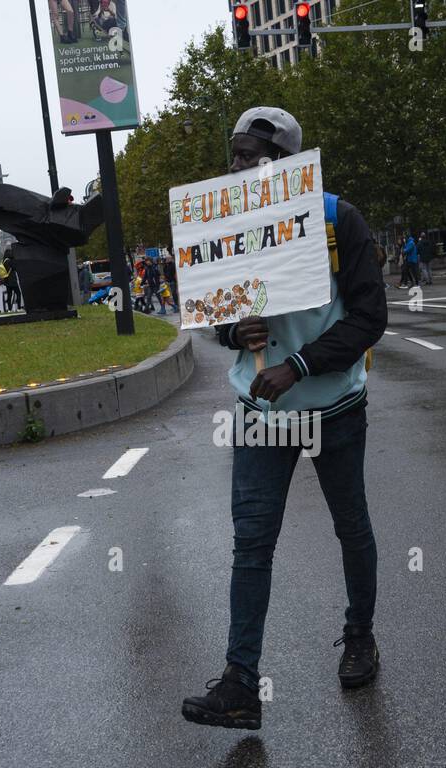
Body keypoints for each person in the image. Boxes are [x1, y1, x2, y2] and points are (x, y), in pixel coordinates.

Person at [181, 106, 387, 730]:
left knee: (350, 523)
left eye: (255, 156)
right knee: (252, 542)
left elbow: (370, 317)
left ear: (292, 164)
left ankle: (359, 635)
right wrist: (229, 330)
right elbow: (217, 316)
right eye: (236, 155)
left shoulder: (336, 220)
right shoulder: (224, 222)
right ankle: (241, 681)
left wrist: (297, 365)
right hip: (259, 412)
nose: (241, 166)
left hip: (333, 408)